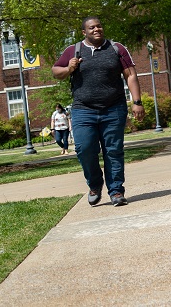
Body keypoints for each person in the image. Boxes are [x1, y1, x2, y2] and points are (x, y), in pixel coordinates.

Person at [52, 17, 145, 207]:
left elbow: (131, 75)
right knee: (84, 149)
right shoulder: (73, 50)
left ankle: (116, 190)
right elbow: (56, 71)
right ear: (83, 32)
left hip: (114, 108)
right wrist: (69, 68)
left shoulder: (117, 48)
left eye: (99, 26)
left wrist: (137, 102)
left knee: (113, 150)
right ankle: (95, 185)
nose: (96, 29)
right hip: (83, 110)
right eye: (91, 27)